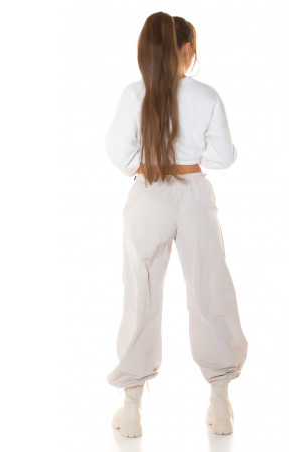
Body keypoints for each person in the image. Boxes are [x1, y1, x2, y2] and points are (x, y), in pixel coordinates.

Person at [104, 12, 248, 437]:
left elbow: (118, 153)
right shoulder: (206, 96)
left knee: (141, 291)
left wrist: (149, 165)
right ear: (186, 49)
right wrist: (191, 158)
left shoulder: (136, 93)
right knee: (210, 289)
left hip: (149, 194)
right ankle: (220, 403)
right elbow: (223, 158)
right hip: (194, 195)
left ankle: (131, 408)